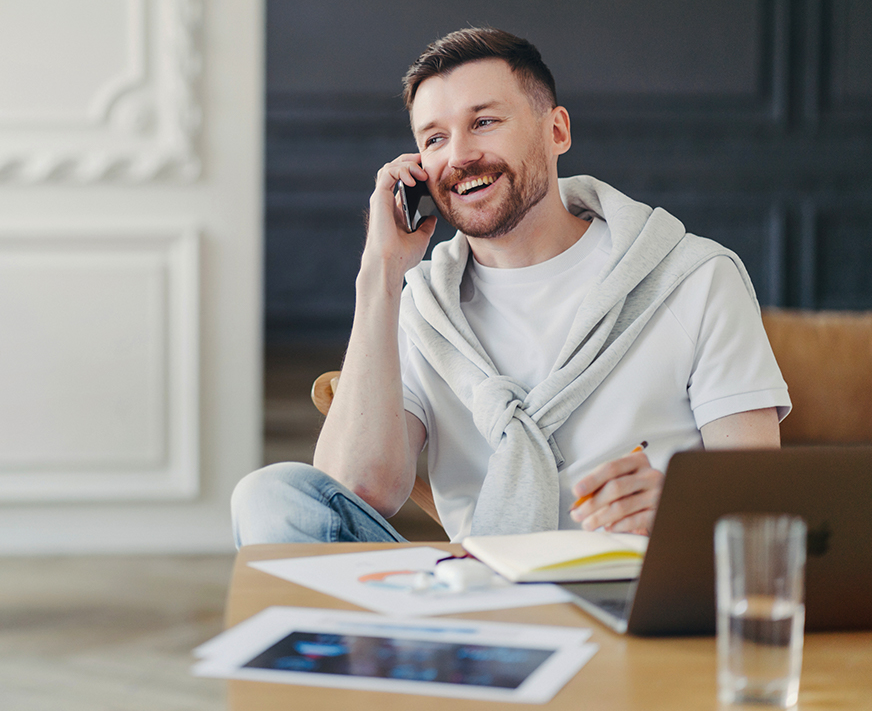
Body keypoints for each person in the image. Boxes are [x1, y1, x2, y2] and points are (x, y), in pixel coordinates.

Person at [233, 27, 790, 547]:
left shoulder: (696, 277)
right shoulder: (424, 309)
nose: (459, 155)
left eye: (484, 122)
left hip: (638, 599)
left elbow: (762, 497)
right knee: (269, 497)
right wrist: (380, 274)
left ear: (556, 131)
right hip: (479, 608)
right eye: (434, 138)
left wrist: (681, 509)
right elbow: (355, 492)